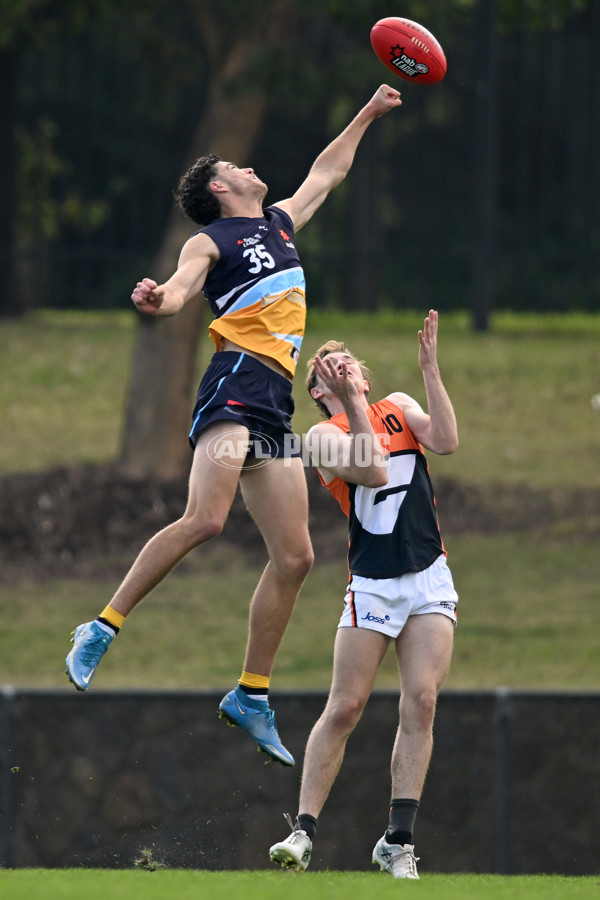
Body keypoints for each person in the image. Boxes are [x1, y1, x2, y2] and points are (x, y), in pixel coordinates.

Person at [65, 85, 403, 768]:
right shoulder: (208, 239)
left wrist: (366, 112)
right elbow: (183, 288)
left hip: (274, 398)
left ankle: (251, 694)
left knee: (298, 557)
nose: (249, 167)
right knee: (206, 519)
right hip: (236, 384)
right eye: (234, 166)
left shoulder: (279, 222)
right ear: (221, 188)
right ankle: (102, 626)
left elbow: (328, 173)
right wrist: (160, 300)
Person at [269, 310, 458, 875]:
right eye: (327, 370)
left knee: (421, 701)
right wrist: (351, 404)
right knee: (346, 706)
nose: (340, 368)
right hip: (372, 585)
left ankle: (398, 841)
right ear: (318, 392)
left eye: (347, 362)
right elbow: (373, 470)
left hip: (428, 576)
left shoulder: (398, 406)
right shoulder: (322, 439)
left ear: (366, 377)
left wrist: (430, 369)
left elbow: (446, 441)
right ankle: (303, 832)